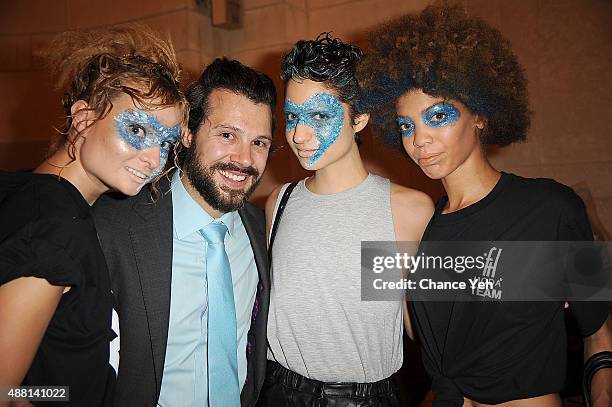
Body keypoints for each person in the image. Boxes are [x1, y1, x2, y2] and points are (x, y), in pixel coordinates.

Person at [358, 4, 612, 407]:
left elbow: (599, 331)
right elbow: (412, 341)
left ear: (479, 113)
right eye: (407, 125)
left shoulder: (555, 208)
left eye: (437, 115)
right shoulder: (421, 228)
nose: (418, 140)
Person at [0, 25, 186, 406]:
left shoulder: (35, 195)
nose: (154, 159)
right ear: (84, 119)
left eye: (165, 143)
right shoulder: (54, 229)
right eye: (136, 129)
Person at [257, 34, 433, 406]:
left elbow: (424, 325)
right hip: (279, 393)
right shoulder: (279, 202)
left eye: (319, 116)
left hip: (368, 398)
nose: (298, 135)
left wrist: (533, 283)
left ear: (361, 118)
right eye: (292, 117)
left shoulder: (406, 210)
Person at [93, 57, 276, 407]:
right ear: (188, 133)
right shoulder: (114, 226)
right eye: (227, 135)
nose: (244, 159)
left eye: (259, 143)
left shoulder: (263, 228)